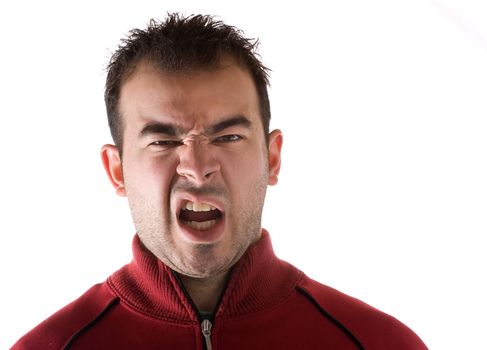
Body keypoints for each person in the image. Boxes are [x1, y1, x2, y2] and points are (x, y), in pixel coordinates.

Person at [12, 13, 428, 350]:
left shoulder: (378, 343)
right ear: (117, 170)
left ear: (271, 157)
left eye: (228, 137)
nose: (197, 166)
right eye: (163, 140)